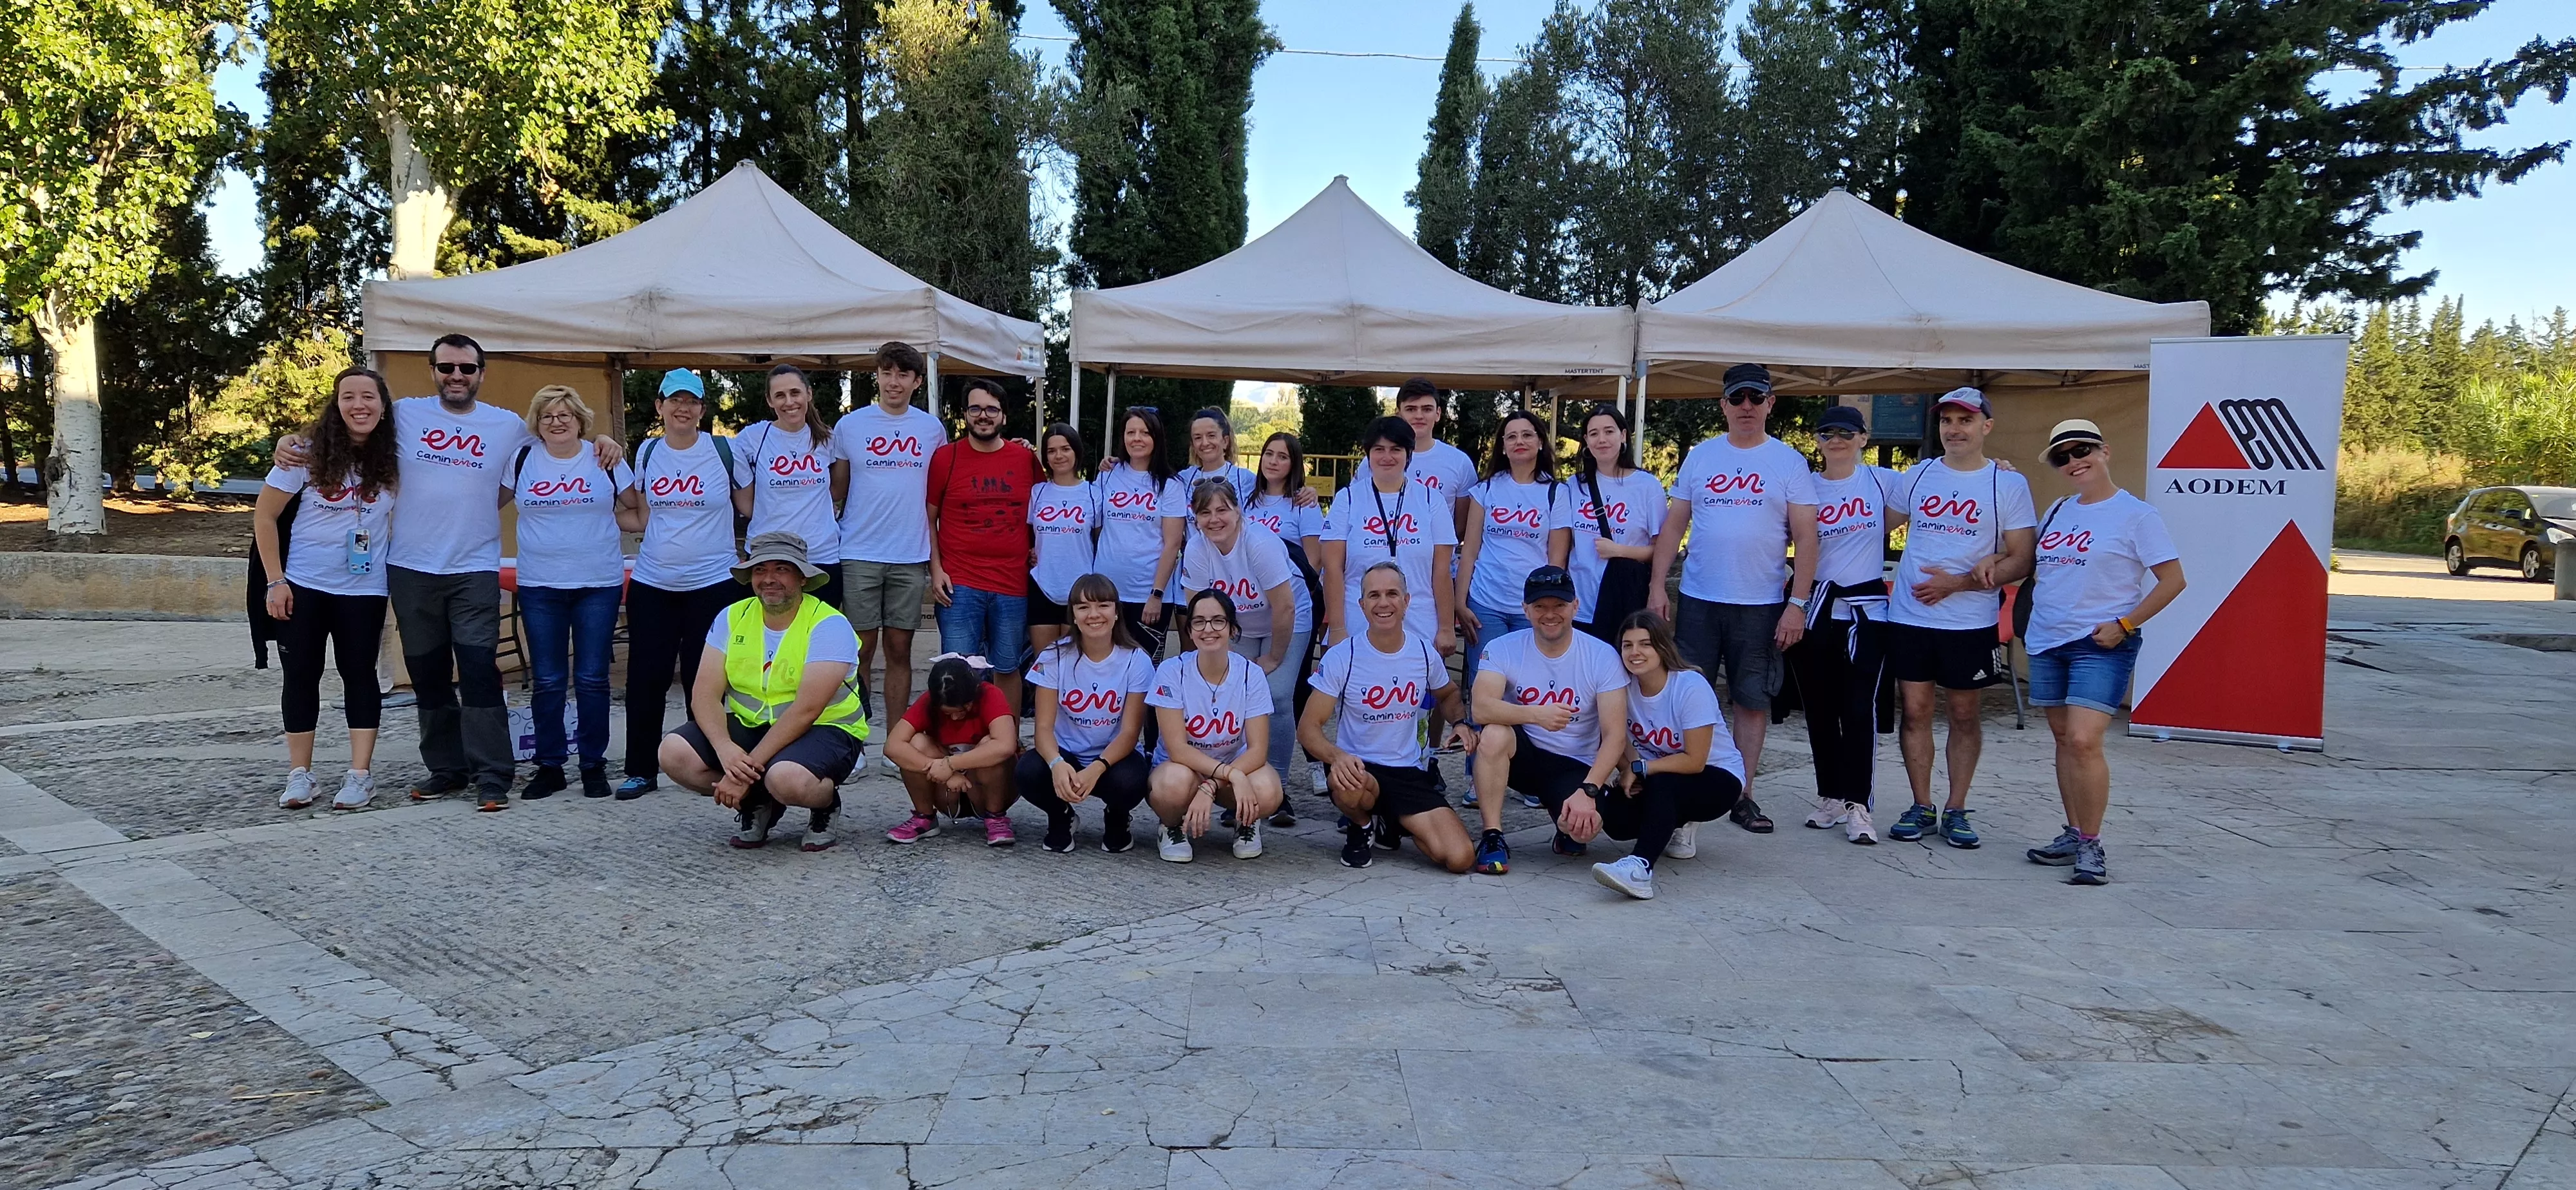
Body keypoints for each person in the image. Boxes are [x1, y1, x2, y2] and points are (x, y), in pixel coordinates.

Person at [272, 333, 623, 813]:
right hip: (411, 567)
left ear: (482, 374)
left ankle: (493, 774)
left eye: (466, 368)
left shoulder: (505, 426)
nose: (456, 376)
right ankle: (446, 769)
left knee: (480, 670)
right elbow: (350, 421)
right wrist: (289, 441)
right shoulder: (405, 415)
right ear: (433, 371)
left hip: (474, 567)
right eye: (446, 368)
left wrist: (603, 439)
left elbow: (560, 436)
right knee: (429, 673)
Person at [1646, 362, 1819, 835]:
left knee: (1751, 700)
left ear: (1770, 404)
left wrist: (1797, 604)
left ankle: (1743, 795)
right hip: (1700, 598)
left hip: (1761, 602)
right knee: (1689, 696)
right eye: (1737, 398)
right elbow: (1674, 525)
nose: (1747, 407)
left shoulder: (1788, 462)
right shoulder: (1701, 457)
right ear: (1723, 404)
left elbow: (1807, 538)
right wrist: (1657, 585)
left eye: (1755, 398)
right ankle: (1687, 788)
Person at [2021, 420, 2186, 886]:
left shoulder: (2137, 515)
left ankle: (2092, 843)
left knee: (2083, 740)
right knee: (2062, 740)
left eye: (2083, 451)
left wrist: (2126, 624)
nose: (2075, 462)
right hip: (2048, 638)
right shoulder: (2057, 509)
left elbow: (2173, 580)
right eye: (2063, 457)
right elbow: (2034, 562)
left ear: (2105, 451)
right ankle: (2074, 832)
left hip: (2100, 641)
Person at [1884, 387, 2037, 848]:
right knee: (1914, 712)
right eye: (1947, 420)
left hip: (1970, 622)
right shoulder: (1917, 475)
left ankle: (1957, 808)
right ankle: (1920, 804)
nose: (1955, 429)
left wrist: (1959, 584)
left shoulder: (2007, 484)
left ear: (1986, 427)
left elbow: (2021, 559)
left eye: (1965, 421)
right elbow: (1872, 522)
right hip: (1910, 617)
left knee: (1966, 715)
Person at [659, 532, 867, 851]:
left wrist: (742, 772)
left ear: (802, 577)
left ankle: (825, 804)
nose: (769, 579)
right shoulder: (732, 616)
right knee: (672, 753)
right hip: (752, 725)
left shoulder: (829, 624)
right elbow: (703, 694)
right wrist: (726, 750)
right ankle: (759, 804)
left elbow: (806, 711)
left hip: (826, 729)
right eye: (760, 570)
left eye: (781, 569)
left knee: (785, 779)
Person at [254, 366, 399, 811]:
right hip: (304, 585)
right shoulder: (305, 453)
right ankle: (300, 775)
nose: (360, 405)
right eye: (349, 397)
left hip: (365, 588)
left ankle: (360, 777)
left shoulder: (398, 456)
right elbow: (264, 516)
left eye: (369, 397)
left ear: (383, 405)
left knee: (360, 676)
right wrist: (275, 580)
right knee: (301, 676)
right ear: (336, 405)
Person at [503, 385, 641, 800]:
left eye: (565, 414)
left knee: (593, 678)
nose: (557, 422)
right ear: (536, 423)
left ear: (581, 419)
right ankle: (550, 766)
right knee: (547, 680)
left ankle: (593, 765)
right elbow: (485, 502)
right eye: (547, 416)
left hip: (597, 583)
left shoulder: (604, 458)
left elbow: (637, 510)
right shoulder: (523, 458)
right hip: (539, 584)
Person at [1299, 562, 1477, 871]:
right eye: (1374, 595)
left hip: (1408, 771)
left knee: (1459, 859)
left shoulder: (1423, 651)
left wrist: (1460, 723)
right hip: (1360, 769)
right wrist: (1337, 756)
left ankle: (1394, 821)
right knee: (1347, 786)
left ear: (1407, 602)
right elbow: (1308, 728)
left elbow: (1447, 693)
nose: (1384, 603)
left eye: (1393, 594)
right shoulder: (1345, 655)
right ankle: (1361, 825)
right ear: (1362, 605)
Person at [619, 368, 746, 799]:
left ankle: (706, 763)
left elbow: (750, 504)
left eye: (692, 401)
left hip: (713, 583)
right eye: (674, 400)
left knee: (704, 682)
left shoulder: (724, 451)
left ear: (703, 409)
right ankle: (640, 769)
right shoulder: (648, 452)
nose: (683, 408)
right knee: (645, 678)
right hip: (653, 582)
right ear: (660, 406)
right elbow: (638, 512)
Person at [1785, 404, 1901, 844]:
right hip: (1815, 609)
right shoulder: (1806, 487)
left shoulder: (1883, 481)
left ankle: (1859, 804)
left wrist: (2000, 468)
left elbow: (1934, 491)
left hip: (1867, 612)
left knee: (1858, 709)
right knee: (1818, 709)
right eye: (1827, 432)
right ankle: (1831, 794)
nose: (1837, 440)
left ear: (1863, 439)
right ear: (1817, 440)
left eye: (1846, 432)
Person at [1467, 566, 1632, 875]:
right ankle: (1492, 835)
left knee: (1583, 831)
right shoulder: (1502, 647)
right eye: (1540, 606)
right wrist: (1536, 714)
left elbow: (1614, 736)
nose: (1550, 614)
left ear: (1575, 607)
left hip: (1574, 764)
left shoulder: (1601, 655)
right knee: (1493, 734)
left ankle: (1565, 825)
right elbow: (1480, 708)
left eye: (1559, 605)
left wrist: (1589, 791)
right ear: (1526, 610)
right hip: (1524, 754)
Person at [1589, 611, 1748, 900]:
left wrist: (1639, 768)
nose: (1635, 652)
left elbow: (1695, 760)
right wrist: (1628, 769)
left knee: (1664, 784)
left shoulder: (1689, 686)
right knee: (1616, 818)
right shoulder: (1622, 688)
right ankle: (1676, 821)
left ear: (1662, 646)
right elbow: (1617, 738)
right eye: (1627, 645)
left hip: (1717, 776)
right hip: (1659, 772)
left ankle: (1639, 869)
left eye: (1645, 644)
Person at [836, 341, 945, 739]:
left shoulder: (932, 429)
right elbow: (837, 489)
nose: (893, 382)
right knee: (860, 652)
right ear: (877, 376)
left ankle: (897, 743)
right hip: (859, 553)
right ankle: (856, 741)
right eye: (886, 373)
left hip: (909, 555)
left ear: (917, 381)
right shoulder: (851, 426)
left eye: (902, 375)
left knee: (900, 652)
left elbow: (943, 489)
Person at [1174, 478, 1302, 814]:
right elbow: (1199, 613)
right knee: (1235, 695)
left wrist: (1274, 657)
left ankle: (1279, 789)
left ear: (1238, 511)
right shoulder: (1197, 549)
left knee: (1276, 695)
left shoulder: (1259, 543)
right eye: (1205, 513)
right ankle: (1235, 783)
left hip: (1285, 619)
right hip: (1237, 627)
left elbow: (1285, 606)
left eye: (1222, 510)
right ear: (1195, 518)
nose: (1214, 519)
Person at [1016, 574, 1156, 854]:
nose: (1094, 615)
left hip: (1113, 757)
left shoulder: (1136, 659)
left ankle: (1117, 818)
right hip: (1066, 753)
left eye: (1103, 605)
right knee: (1028, 771)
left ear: (1117, 612)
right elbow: (1042, 728)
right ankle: (1061, 816)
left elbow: (1130, 732)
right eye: (1083, 607)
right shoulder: (1054, 656)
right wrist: (1056, 764)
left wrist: (1097, 768)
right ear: (1074, 616)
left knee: (1134, 780)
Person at [926, 379, 1043, 710]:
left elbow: (1045, 511)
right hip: (960, 582)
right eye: (976, 409)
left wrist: (1039, 551)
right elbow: (929, 517)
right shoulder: (945, 458)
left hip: (1012, 582)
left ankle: (1005, 744)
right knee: (957, 668)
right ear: (965, 415)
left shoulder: (1025, 459)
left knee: (1008, 667)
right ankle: (961, 745)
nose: (983, 416)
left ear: (1003, 416)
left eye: (992, 409)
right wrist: (936, 568)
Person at [1144, 589, 1285, 862]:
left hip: (1233, 769)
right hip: (1185, 769)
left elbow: (1257, 750)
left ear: (1233, 629)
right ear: (1190, 630)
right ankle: (1172, 825)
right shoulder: (1171, 671)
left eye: (1218, 621)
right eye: (1199, 622)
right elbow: (1178, 749)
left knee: (1269, 790)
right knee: (1172, 785)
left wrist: (1214, 784)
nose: (1208, 629)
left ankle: (1246, 821)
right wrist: (1224, 777)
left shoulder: (1251, 674)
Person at [1457, 408, 1574, 699]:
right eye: (1511, 436)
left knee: (1528, 687)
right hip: (1485, 605)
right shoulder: (1485, 490)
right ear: (1503, 447)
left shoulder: (1556, 493)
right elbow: (1469, 551)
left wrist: (1549, 608)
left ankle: (1521, 746)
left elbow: (1556, 562)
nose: (1519, 441)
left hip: (1531, 607)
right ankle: (1481, 746)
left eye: (1526, 435)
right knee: (1486, 686)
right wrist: (1460, 602)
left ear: (1540, 442)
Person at [1320, 417, 1458, 654]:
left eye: (1396, 449)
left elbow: (1441, 571)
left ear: (1409, 454)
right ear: (1368, 455)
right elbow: (1333, 569)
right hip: (1358, 620)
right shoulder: (1347, 499)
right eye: (1379, 450)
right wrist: (1337, 627)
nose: (1387, 457)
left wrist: (1446, 627)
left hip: (1419, 621)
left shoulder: (1431, 500)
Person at [1244, 431, 1327, 810]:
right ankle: (1242, 775)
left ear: (1294, 464)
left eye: (1283, 456)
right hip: (1247, 613)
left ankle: (1276, 784)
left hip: (1293, 610)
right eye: (1268, 454)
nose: (1274, 462)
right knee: (1245, 696)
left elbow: (1314, 563)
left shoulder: (1303, 504)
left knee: (1281, 695)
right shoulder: (1245, 498)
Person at [1148, 408, 1261, 647]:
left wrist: (1305, 492)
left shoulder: (1246, 479)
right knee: (1193, 652)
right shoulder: (1182, 479)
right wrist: (1115, 463)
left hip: (1235, 583)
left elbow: (1278, 493)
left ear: (1225, 440)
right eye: (1198, 438)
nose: (1205, 443)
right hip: (1191, 580)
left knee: (1233, 653)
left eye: (1211, 435)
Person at [734, 364, 844, 607]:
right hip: (769, 558)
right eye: (780, 396)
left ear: (809, 394)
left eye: (795, 393)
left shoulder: (828, 439)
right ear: (769, 401)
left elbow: (837, 491)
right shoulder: (751, 438)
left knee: (817, 637)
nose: (789, 402)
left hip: (820, 557)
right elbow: (744, 499)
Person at [884, 655, 1021, 845]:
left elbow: (1006, 745)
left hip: (986, 785)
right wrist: (941, 770)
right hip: (946, 790)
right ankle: (925, 816)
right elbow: (893, 746)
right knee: (916, 744)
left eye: (962, 710)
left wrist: (951, 764)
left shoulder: (991, 695)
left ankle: (996, 817)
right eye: (948, 714)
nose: (956, 718)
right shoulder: (928, 702)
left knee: (992, 743)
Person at [1567, 404, 1665, 643]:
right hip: (1579, 601)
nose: (1602, 439)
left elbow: (1662, 550)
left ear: (1623, 436)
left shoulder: (1647, 486)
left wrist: (1619, 551)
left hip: (1624, 599)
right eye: (1594, 433)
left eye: (1609, 432)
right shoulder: (1573, 485)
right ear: (1586, 442)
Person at [1094, 409, 1176, 652]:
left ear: (1157, 438)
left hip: (1148, 598)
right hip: (1107, 593)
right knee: (1106, 666)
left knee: (1144, 674)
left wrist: (1156, 595)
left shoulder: (1170, 485)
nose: (1137, 438)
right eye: (1131, 432)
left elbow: (1172, 544)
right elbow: (1096, 528)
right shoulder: (1108, 475)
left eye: (1145, 433)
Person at [1026, 422, 1100, 659]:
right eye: (1051, 450)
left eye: (1065, 449)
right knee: (1044, 664)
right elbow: (1030, 536)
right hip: (1043, 587)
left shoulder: (1093, 492)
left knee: (1075, 664)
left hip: (1080, 592)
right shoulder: (1037, 492)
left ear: (1076, 451)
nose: (1059, 456)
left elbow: (1099, 543)